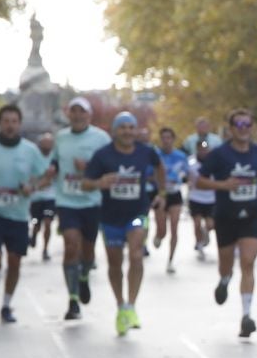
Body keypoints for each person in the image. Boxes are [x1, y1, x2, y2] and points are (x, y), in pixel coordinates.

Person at [194, 108, 257, 339]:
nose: (243, 129)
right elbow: (198, 181)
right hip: (225, 216)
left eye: (247, 124)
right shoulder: (219, 154)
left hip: (251, 214)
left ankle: (246, 316)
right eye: (239, 124)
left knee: (248, 263)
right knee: (226, 264)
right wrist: (222, 186)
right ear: (231, 129)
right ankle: (224, 280)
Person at [0, 105, 51, 325]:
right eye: (6, 121)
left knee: (14, 263)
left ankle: (6, 305)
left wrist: (32, 187)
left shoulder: (29, 150)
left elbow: (47, 176)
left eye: (14, 121)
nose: (10, 125)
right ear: (0, 123)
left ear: (19, 124)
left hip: (18, 215)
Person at [84, 112, 166, 337]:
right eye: (123, 128)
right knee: (114, 263)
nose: (128, 132)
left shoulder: (145, 151)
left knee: (137, 255)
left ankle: (132, 305)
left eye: (131, 127)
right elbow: (85, 183)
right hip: (110, 217)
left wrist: (162, 193)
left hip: (137, 213)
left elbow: (160, 167)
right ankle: (120, 305)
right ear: (115, 131)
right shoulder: (103, 155)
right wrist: (100, 182)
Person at [49, 96, 112, 322]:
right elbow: (54, 162)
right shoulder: (61, 138)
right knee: (70, 245)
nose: (77, 116)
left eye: (82, 112)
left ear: (89, 115)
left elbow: (110, 165)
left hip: (91, 202)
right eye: (73, 111)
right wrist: (49, 172)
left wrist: (89, 168)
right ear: (69, 115)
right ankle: (73, 299)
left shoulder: (101, 138)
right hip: (67, 201)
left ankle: (84, 275)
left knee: (87, 250)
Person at [182, 117, 223, 258]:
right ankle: (199, 243)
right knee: (197, 222)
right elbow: (185, 173)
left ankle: (205, 234)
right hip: (195, 196)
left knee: (211, 224)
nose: (204, 151)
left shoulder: (214, 158)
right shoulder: (191, 160)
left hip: (211, 197)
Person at [153, 126, 188, 272]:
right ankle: (158, 235)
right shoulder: (155, 155)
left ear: (173, 139)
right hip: (161, 194)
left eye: (169, 138)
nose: (166, 141)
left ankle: (170, 261)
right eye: (164, 138)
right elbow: (149, 173)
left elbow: (186, 174)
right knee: (163, 231)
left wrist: (179, 178)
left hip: (175, 194)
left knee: (174, 228)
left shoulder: (180, 156)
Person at [28, 133, 58, 261]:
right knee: (36, 222)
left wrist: (52, 177)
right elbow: (29, 177)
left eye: (49, 143)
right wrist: (41, 178)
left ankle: (45, 249)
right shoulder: (33, 158)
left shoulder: (55, 158)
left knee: (48, 222)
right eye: (44, 143)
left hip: (50, 198)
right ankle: (34, 234)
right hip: (36, 198)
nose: (47, 146)